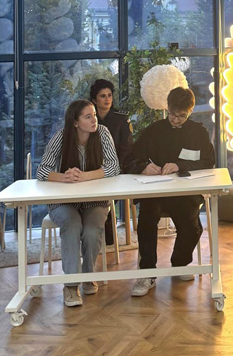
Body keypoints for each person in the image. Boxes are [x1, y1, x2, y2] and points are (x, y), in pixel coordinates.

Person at [125, 87, 215, 297]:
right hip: (155, 191)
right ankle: (147, 273)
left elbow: (208, 162)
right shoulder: (154, 130)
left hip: (185, 193)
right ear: (167, 108)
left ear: (190, 111)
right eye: (172, 114)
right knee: (147, 222)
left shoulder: (198, 132)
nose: (175, 120)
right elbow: (130, 158)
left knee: (192, 226)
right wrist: (143, 167)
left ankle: (180, 263)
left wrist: (180, 165)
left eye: (181, 116)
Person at [36, 99, 120, 308]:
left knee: (92, 230)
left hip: (94, 200)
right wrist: (65, 177)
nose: (94, 120)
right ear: (75, 122)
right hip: (64, 202)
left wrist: (84, 176)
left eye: (94, 115)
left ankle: (88, 275)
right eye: (88, 117)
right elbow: (42, 171)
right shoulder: (61, 137)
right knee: (72, 225)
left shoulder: (103, 133)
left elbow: (114, 167)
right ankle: (71, 285)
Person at [89, 79, 133, 246]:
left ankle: (106, 224)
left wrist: (115, 169)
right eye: (102, 96)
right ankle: (93, 227)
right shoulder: (88, 118)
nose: (107, 99)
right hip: (92, 169)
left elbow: (126, 148)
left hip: (117, 169)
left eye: (109, 95)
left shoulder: (121, 119)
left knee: (108, 191)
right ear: (94, 100)